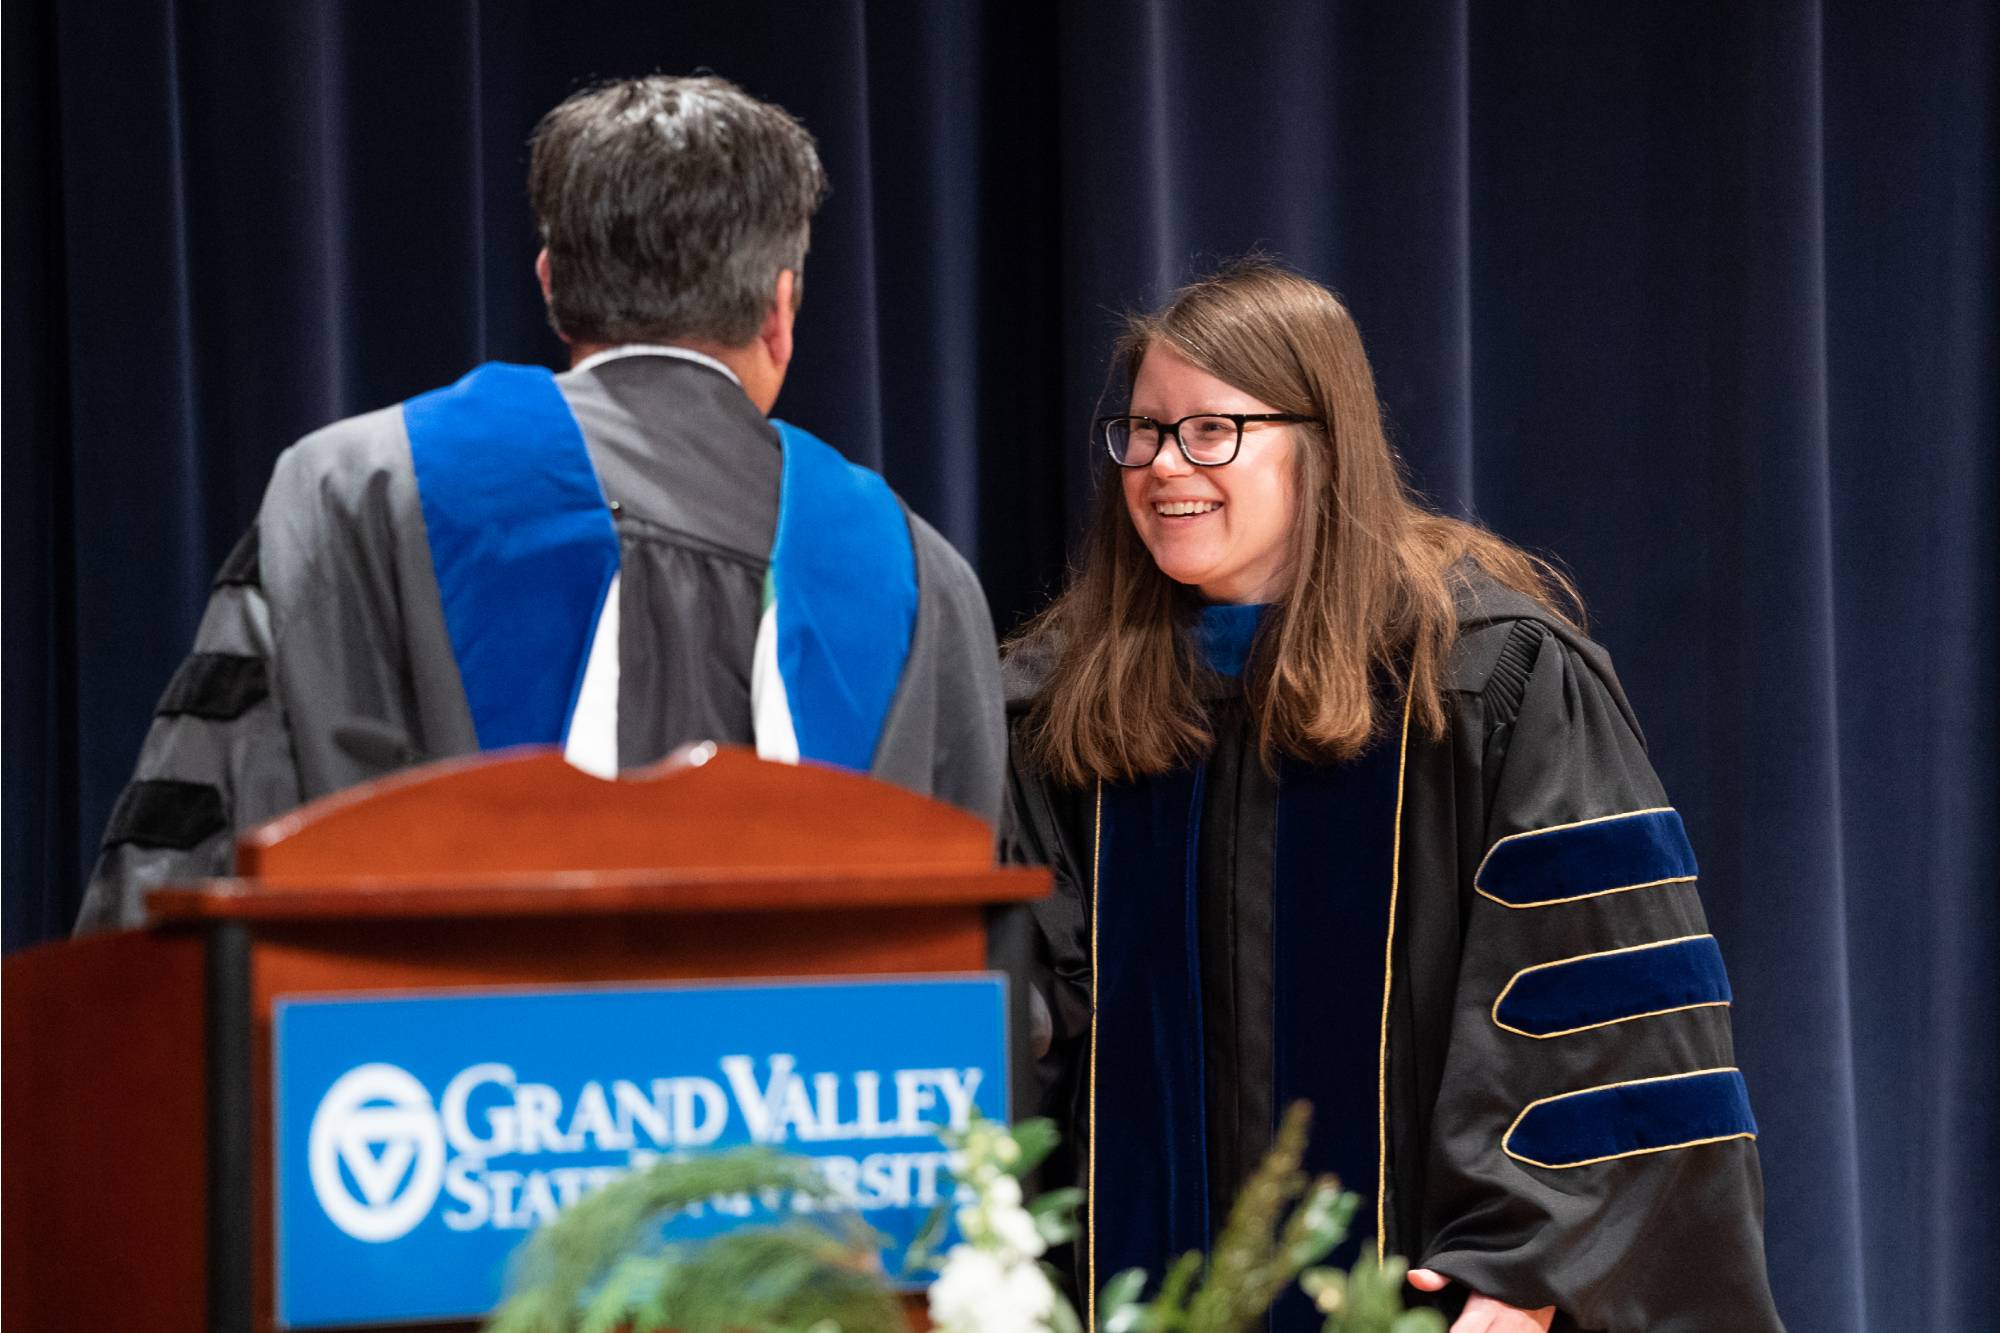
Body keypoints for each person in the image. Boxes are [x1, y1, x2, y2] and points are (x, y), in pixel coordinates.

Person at [1003, 260, 1783, 1332]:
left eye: (1208, 431)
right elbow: (1019, 1015)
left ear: (1317, 442)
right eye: (1140, 431)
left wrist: (1525, 1269)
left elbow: (1605, 1025)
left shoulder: (1480, 678)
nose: (1161, 465)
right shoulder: (1061, 705)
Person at [75, 75, 1004, 934]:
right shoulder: (918, 575)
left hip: (442, 1096)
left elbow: (187, 903)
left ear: (553, 283)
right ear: (781, 307)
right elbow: (978, 974)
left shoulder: (355, 490)